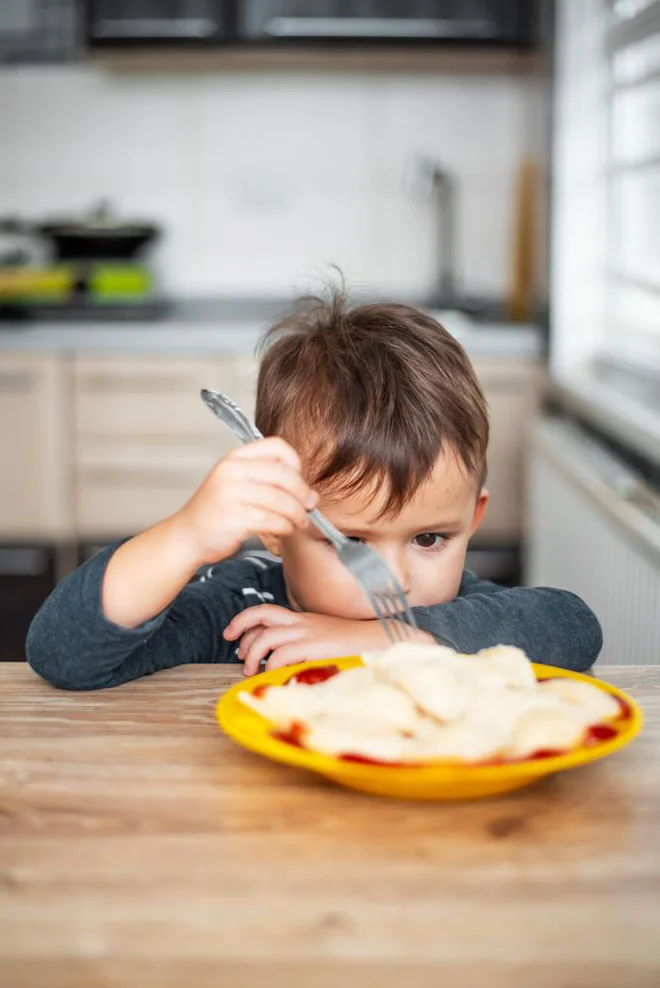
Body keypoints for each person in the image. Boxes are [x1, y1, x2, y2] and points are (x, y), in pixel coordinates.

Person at [27, 290, 602, 690]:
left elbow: (574, 626)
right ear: (276, 524)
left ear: (472, 520)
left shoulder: (452, 610)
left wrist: (392, 640)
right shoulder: (242, 614)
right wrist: (186, 537)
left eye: (430, 538)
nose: (398, 580)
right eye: (348, 540)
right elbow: (62, 654)